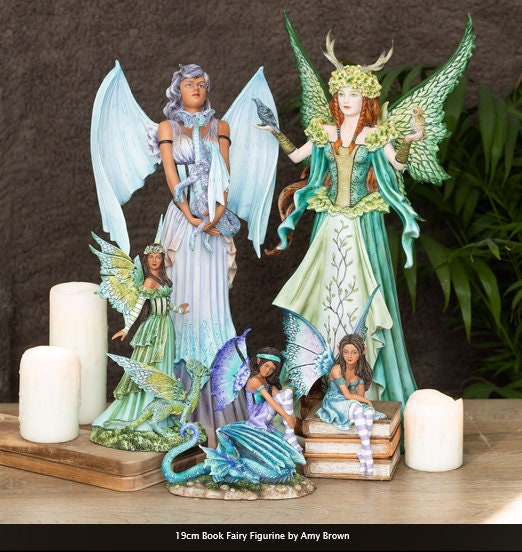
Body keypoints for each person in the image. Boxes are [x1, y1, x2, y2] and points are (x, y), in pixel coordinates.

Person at [256, 35, 423, 409]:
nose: (347, 100)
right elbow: (298, 155)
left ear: (366, 100)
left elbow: (398, 165)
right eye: (342, 94)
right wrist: (276, 133)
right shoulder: (325, 131)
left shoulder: (374, 135)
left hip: (362, 224)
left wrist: (411, 139)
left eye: (354, 94)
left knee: (361, 289)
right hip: (331, 223)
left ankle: (364, 382)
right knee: (326, 290)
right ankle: (323, 377)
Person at [149, 64, 247, 447]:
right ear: (178, 89)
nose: (196, 89)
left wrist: (217, 213)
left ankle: (221, 400)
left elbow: (225, 173)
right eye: (189, 84)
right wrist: (189, 213)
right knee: (183, 300)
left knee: (214, 303)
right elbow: (171, 174)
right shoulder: (167, 128)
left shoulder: (220, 126)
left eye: (202, 84)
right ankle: (180, 402)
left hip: (213, 219)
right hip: (183, 219)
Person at [90, 238, 189, 449]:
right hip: (153, 329)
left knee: (164, 367)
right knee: (149, 365)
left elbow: (166, 303)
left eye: (158, 257)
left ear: (162, 260)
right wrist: (126, 328)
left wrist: (179, 310)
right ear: (146, 260)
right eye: (151, 257)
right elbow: (137, 307)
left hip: (166, 326)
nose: (154, 260)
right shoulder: (148, 281)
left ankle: (162, 411)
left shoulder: (162, 279)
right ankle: (143, 410)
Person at [317, 334, 386, 476]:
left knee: (368, 412)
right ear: (340, 350)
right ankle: (368, 453)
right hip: (335, 401)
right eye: (346, 352)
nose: (349, 356)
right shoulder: (337, 369)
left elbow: (359, 398)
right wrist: (368, 402)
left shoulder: (360, 372)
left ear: (362, 351)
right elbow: (348, 395)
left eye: (354, 352)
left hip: (350, 402)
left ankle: (364, 451)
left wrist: (365, 403)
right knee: (358, 408)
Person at [244, 346, 302, 452]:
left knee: (286, 393)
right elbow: (271, 401)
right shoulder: (254, 380)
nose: (268, 371)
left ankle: (290, 435)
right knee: (288, 392)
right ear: (258, 361)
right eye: (266, 366)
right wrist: (287, 417)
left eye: (272, 369)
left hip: (265, 414)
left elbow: (282, 401)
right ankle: (290, 436)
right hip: (256, 416)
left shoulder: (268, 382)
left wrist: (292, 416)